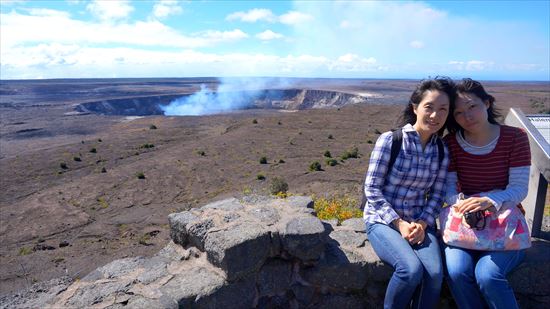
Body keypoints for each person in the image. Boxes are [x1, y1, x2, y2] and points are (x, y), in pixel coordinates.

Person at [363, 77, 455, 309]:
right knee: (409, 270)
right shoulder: (391, 140)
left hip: (419, 222)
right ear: (415, 108)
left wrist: (422, 224)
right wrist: (399, 224)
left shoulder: (441, 150)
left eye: (443, 109)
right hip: (383, 220)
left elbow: (437, 194)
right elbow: (372, 188)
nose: (435, 115)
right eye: (429, 107)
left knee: (434, 274)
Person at [443, 78, 531, 309]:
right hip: (465, 223)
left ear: (487, 103)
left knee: (488, 275)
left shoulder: (515, 138)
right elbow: (449, 189)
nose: (467, 116)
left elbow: (519, 188)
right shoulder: (450, 143)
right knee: (456, 271)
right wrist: (464, 204)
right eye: (459, 112)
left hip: (506, 225)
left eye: (472, 106)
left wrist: (490, 201)